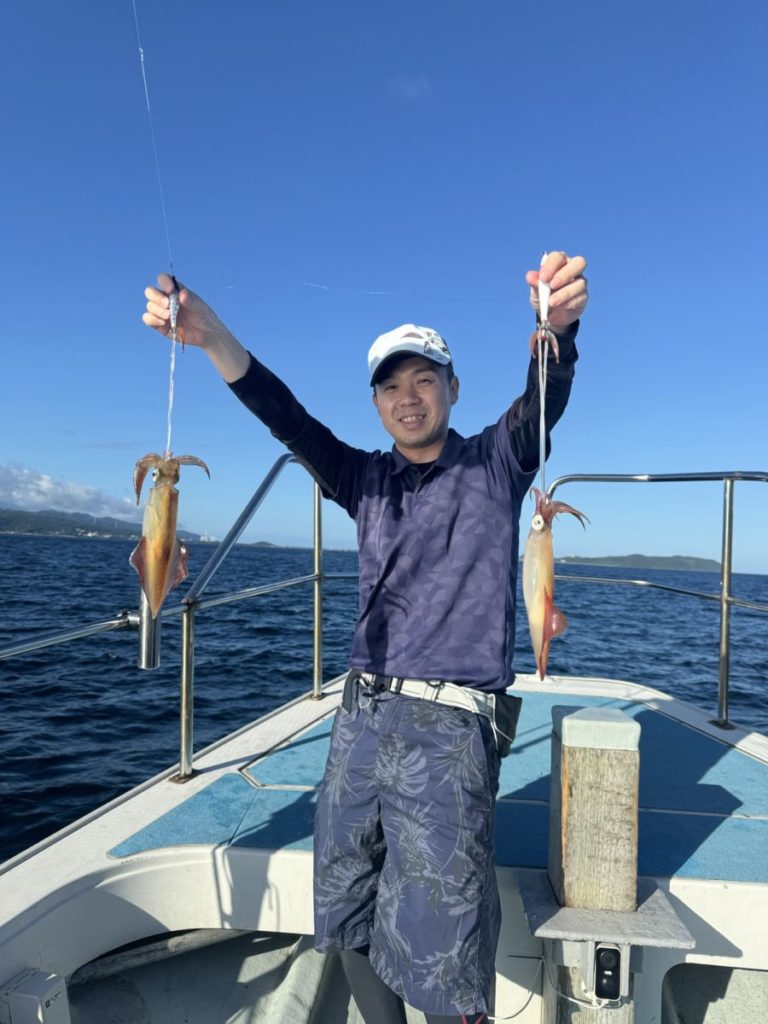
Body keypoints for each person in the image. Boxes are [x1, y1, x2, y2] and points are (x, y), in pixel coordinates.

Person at [143, 252, 588, 1024]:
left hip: (453, 727)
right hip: (360, 715)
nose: (407, 397)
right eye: (390, 385)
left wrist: (560, 332)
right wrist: (212, 336)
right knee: (343, 903)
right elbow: (286, 416)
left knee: (447, 937)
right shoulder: (362, 479)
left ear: (453, 388)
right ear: (377, 402)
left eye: (424, 380)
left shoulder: (496, 463)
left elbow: (541, 405)